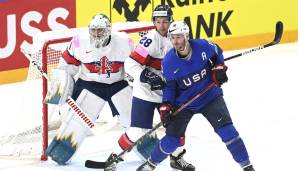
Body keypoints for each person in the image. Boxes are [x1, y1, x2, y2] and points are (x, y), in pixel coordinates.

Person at [136, 21, 255, 171]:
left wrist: (219, 67)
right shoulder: (169, 61)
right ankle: (150, 164)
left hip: (209, 96)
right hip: (184, 102)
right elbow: (170, 87)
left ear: (186, 36)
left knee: (228, 131)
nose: (175, 41)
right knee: (172, 141)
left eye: (178, 37)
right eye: (172, 37)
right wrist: (166, 106)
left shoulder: (202, 46)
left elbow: (217, 52)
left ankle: (247, 166)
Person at [105, 5, 195, 171]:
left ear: (171, 21)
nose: (162, 26)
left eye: (165, 21)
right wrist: (146, 75)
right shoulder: (150, 39)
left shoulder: (179, 37)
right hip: (145, 92)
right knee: (137, 130)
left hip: (169, 93)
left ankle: (177, 158)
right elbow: (130, 63)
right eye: (158, 21)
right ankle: (114, 158)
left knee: (176, 128)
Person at [45, 13, 135, 165]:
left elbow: (135, 64)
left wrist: (135, 79)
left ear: (109, 30)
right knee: (77, 122)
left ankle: (148, 148)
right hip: (90, 84)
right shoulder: (79, 42)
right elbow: (66, 66)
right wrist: (60, 88)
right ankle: (60, 152)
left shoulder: (124, 41)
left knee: (134, 120)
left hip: (117, 84)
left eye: (100, 30)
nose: (96, 34)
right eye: (93, 30)